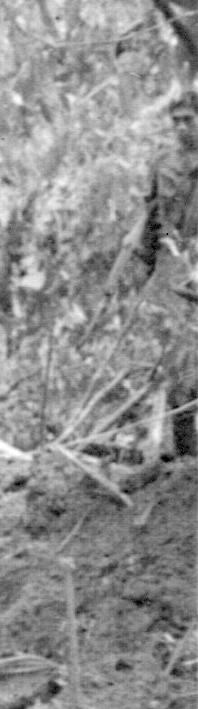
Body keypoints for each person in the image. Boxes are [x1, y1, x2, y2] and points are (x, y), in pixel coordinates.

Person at [122, 88, 197, 457]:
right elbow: (151, 222)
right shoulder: (163, 163)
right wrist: (145, 272)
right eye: (177, 121)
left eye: (189, 119)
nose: (183, 127)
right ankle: (185, 454)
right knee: (177, 360)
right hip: (172, 269)